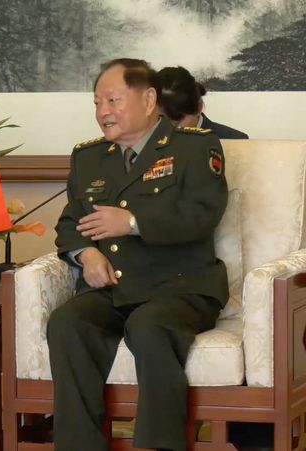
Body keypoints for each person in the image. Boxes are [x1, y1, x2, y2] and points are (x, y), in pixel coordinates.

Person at [48, 58, 228, 451]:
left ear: (148, 100)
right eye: (96, 102)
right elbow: (69, 223)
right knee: (68, 322)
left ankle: (160, 446)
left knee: (149, 326)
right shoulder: (89, 157)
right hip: (115, 289)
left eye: (112, 100)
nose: (103, 112)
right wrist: (85, 256)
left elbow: (202, 214)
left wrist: (132, 222)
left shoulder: (195, 147)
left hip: (181, 288)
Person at [156, 66, 249, 139]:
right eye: (159, 119)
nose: (168, 129)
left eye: (176, 122)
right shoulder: (146, 141)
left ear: (198, 106)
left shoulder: (233, 139)